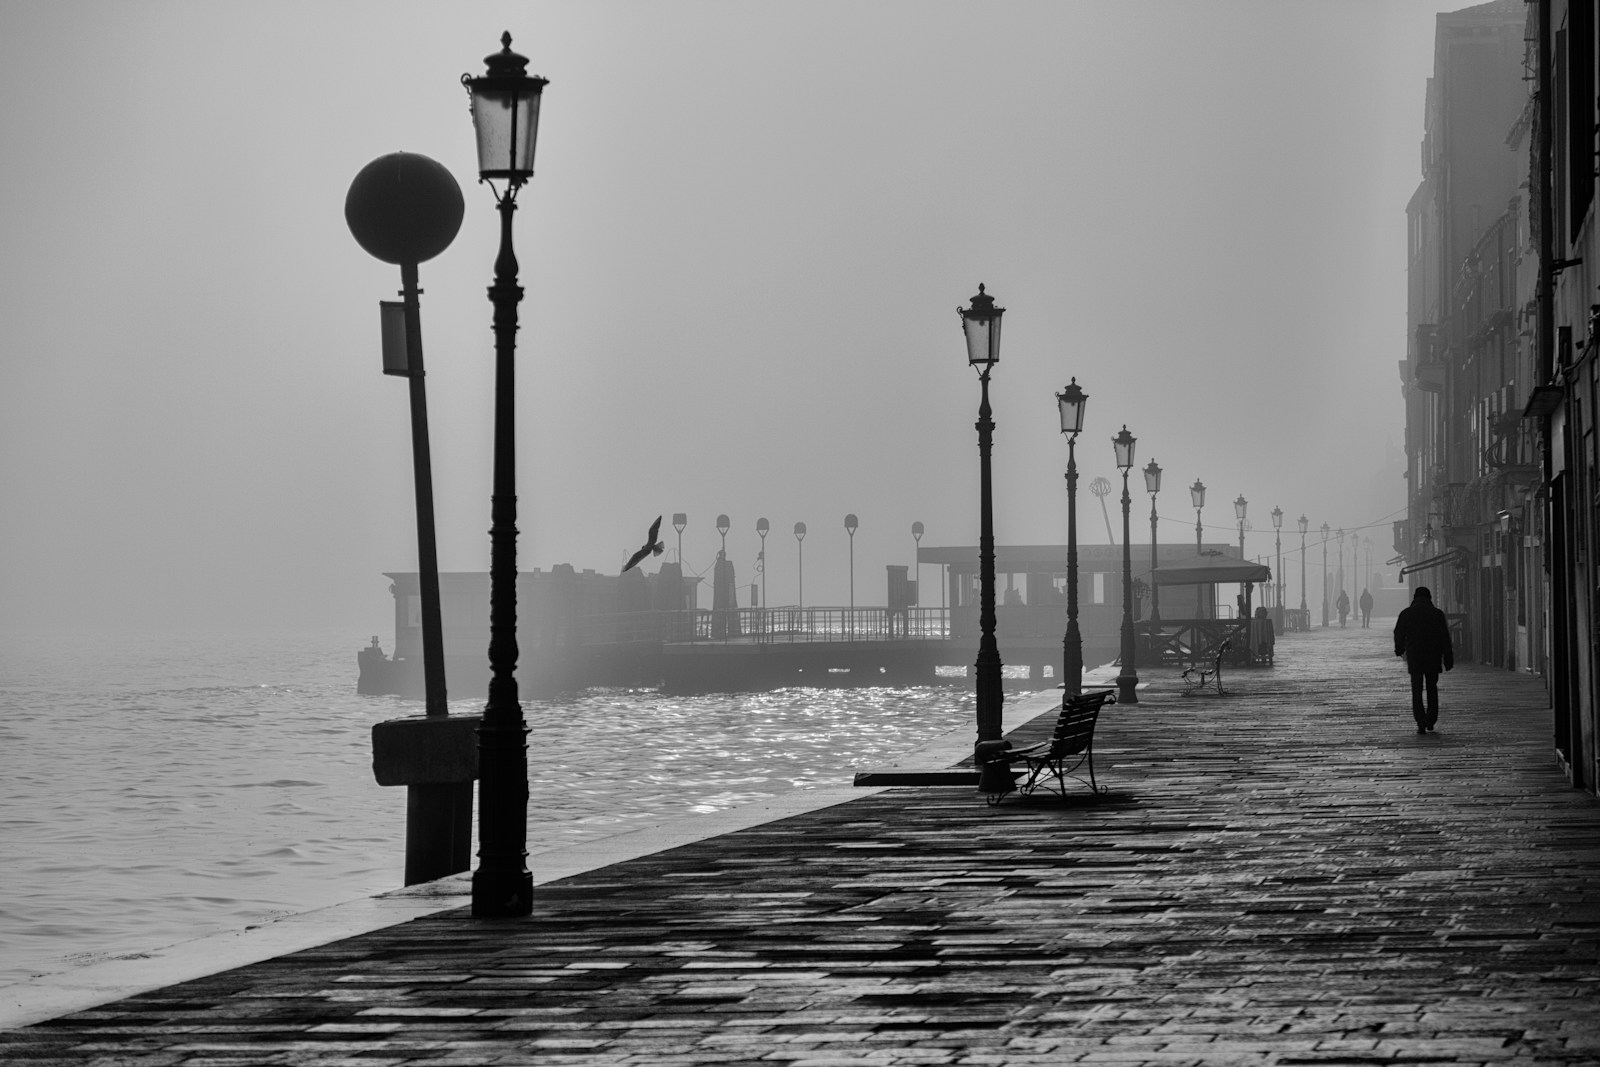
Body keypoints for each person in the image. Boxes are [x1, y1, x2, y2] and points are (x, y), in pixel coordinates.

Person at [1393, 586, 1454, 734]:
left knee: (1417, 689)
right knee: (1432, 688)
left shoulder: (1406, 614)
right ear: (1430, 598)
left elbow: (1398, 633)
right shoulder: (1437, 614)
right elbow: (1445, 637)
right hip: (1433, 656)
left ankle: (1420, 721)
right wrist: (1448, 658)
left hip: (1415, 657)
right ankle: (1431, 720)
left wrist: (1400, 650)